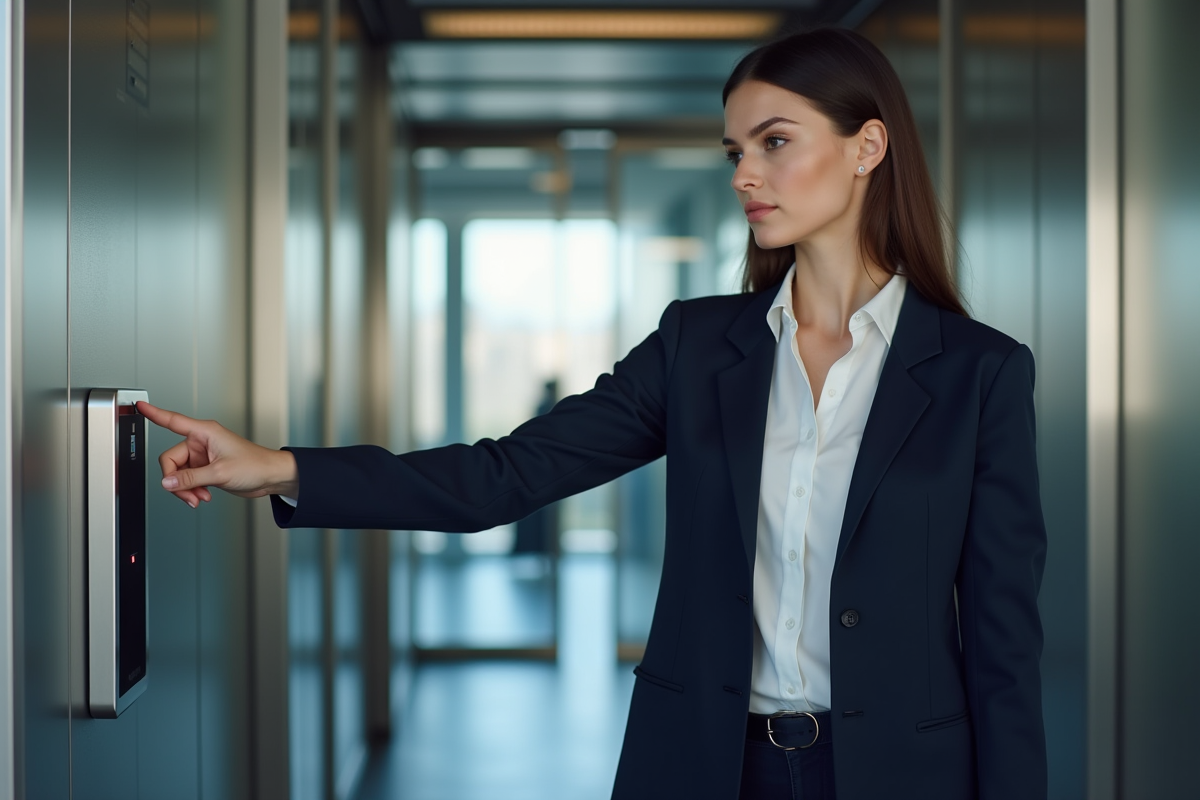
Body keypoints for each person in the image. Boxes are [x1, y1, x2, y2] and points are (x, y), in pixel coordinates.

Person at [140, 28, 1046, 800]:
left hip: (904, 773)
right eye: (734, 152)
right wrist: (284, 468)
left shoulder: (981, 374)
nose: (746, 174)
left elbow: (1003, 647)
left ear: (867, 146)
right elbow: (505, 475)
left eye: (774, 142)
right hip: (705, 764)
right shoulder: (699, 347)